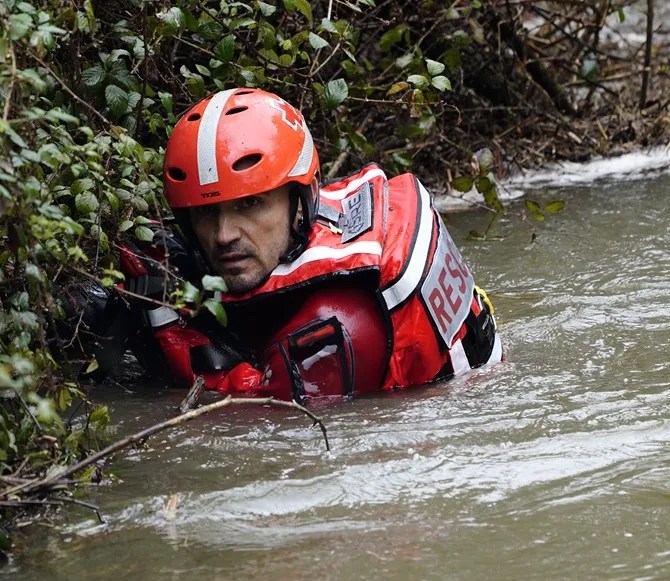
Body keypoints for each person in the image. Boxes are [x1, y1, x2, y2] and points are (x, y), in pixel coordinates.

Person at [98, 87, 501, 401]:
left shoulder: (335, 325)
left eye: (250, 205)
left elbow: (259, 435)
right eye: (205, 213)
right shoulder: (319, 220)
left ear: (302, 200)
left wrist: (168, 333)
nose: (223, 235)